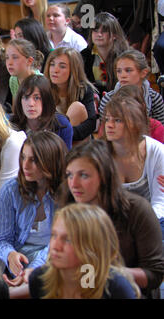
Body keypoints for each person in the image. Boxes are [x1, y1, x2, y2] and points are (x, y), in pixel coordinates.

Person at [58, 139, 164, 298]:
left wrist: (109, 272)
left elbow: (154, 275)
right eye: (69, 175)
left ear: (104, 175)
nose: (73, 184)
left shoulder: (138, 210)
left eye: (84, 175)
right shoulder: (69, 208)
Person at [0, 131, 67, 287]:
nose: (25, 165)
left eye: (33, 160)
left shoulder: (66, 192)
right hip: (20, 251)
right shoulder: (10, 190)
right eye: (23, 157)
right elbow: (3, 239)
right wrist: (10, 254)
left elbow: (62, 243)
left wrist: (35, 268)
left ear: (50, 162)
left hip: (55, 254)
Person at [29, 203, 140, 299]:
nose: (56, 246)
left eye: (68, 240)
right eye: (54, 235)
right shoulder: (39, 280)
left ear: (91, 246)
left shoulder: (115, 288)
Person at [102, 96, 164, 225]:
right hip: (110, 223)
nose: (109, 125)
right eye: (107, 119)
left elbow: (160, 202)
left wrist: (141, 225)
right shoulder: (99, 154)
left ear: (134, 124)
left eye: (118, 120)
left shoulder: (156, 151)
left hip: (150, 221)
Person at [44, 47, 97, 142]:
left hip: (74, 139)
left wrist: (66, 133)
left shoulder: (84, 89)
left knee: (76, 108)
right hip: (50, 140)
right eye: (52, 64)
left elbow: (91, 123)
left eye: (62, 66)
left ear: (73, 69)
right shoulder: (43, 88)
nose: (55, 70)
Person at [98, 49, 164, 126]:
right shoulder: (108, 98)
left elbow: (160, 131)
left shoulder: (154, 98)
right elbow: (105, 130)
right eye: (119, 71)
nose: (122, 75)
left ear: (143, 73)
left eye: (128, 70)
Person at [11, 74, 73, 150]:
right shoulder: (11, 125)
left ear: (46, 100)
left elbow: (65, 159)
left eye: (37, 98)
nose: (31, 104)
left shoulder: (62, 125)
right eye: (26, 97)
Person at [80, 12, 129, 97]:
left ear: (115, 35)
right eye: (95, 30)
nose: (99, 34)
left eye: (104, 31)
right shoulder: (83, 55)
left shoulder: (125, 56)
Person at [5, 38, 43, 112]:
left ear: (29, 61)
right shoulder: (13, 79)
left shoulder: (40, 82)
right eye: (7, 58)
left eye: (15, 57)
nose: (9, 63)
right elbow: (16, 109)